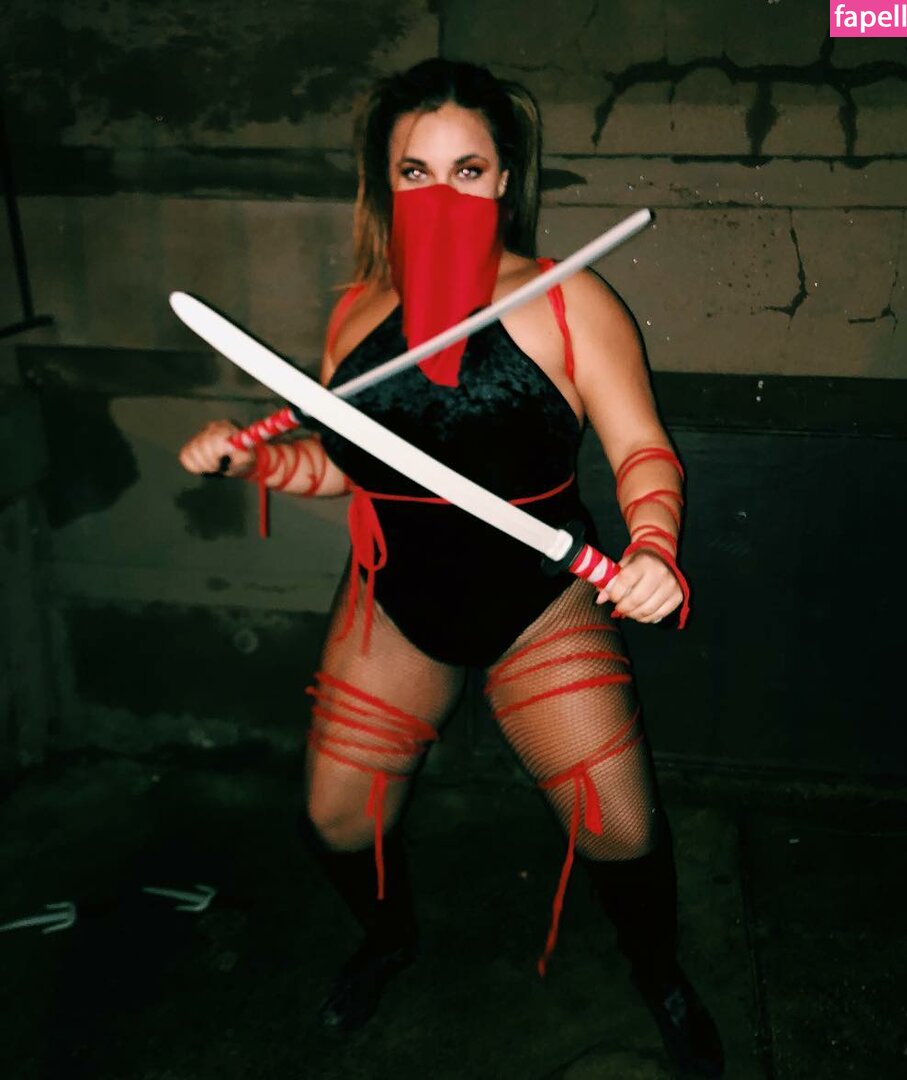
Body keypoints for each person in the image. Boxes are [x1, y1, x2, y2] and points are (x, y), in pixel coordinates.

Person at [178, 58, 724, 1077]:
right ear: (382, 183)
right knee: (336, 819)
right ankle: (387, 941)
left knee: (617, 827)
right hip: (397, 597)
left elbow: (643, 451)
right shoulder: (356, 313)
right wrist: (258, 462)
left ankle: (658, 972)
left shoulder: (569, 300)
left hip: (537, 600)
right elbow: (344, 470)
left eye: (467, 169)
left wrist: (652, 545)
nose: (442, 193)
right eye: (414, 171)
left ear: (504, 177)